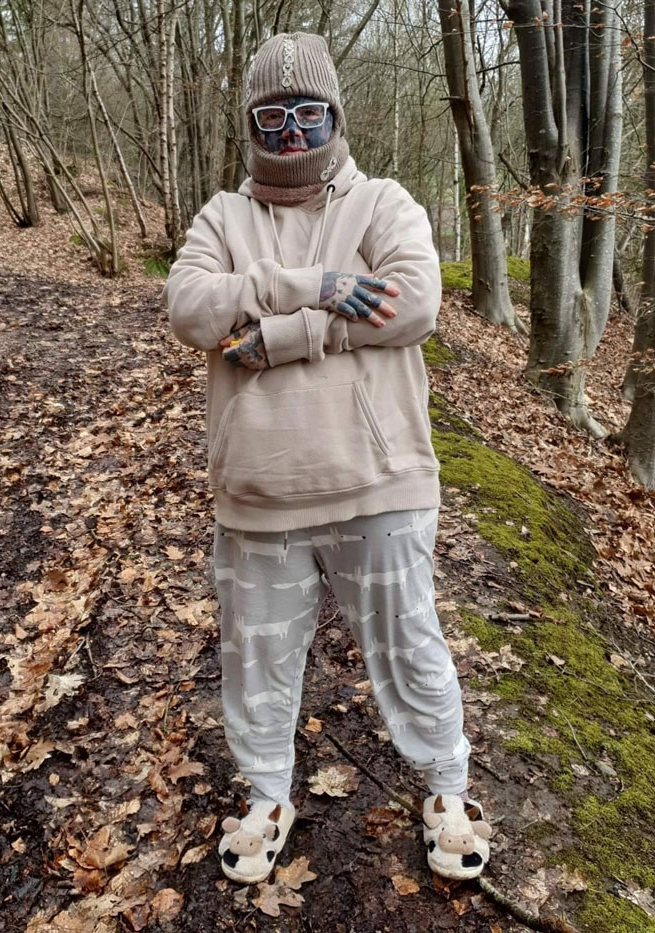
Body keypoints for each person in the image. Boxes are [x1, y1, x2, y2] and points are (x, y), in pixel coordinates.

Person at [161, 31, 492, 886]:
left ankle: (449, 788)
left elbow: (414, 303)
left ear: (334, 115)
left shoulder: (383, 203)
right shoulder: (221, 218)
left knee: (410, 641)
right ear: (252, 127)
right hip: (258, 491)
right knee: (257, 655)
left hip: (380, 482)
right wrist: (311, 290)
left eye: (310, 114)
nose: (294, 133)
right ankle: (268, 793)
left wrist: (268, 341)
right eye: (274, 117)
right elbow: (192, 309)